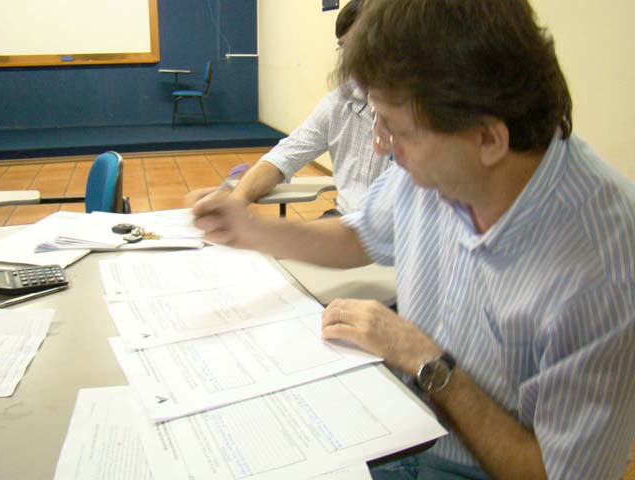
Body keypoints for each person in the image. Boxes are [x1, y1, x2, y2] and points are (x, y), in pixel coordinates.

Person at [191, 0, 635, 478]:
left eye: (396, 129)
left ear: (488, 139)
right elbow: (359, 236)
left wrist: (427, 363)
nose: (380, 144)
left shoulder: (603, 264)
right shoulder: (441, 159)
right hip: (404, 425)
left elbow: (556, 473)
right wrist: (253, 231)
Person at [197, 0, 390, 216]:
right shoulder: (339, 102)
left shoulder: (416, 111)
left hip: (392, 232)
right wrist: (234, 203)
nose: (351, 60)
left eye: (361, 47)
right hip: (343, 222)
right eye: (345, 48)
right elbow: (282, 158)